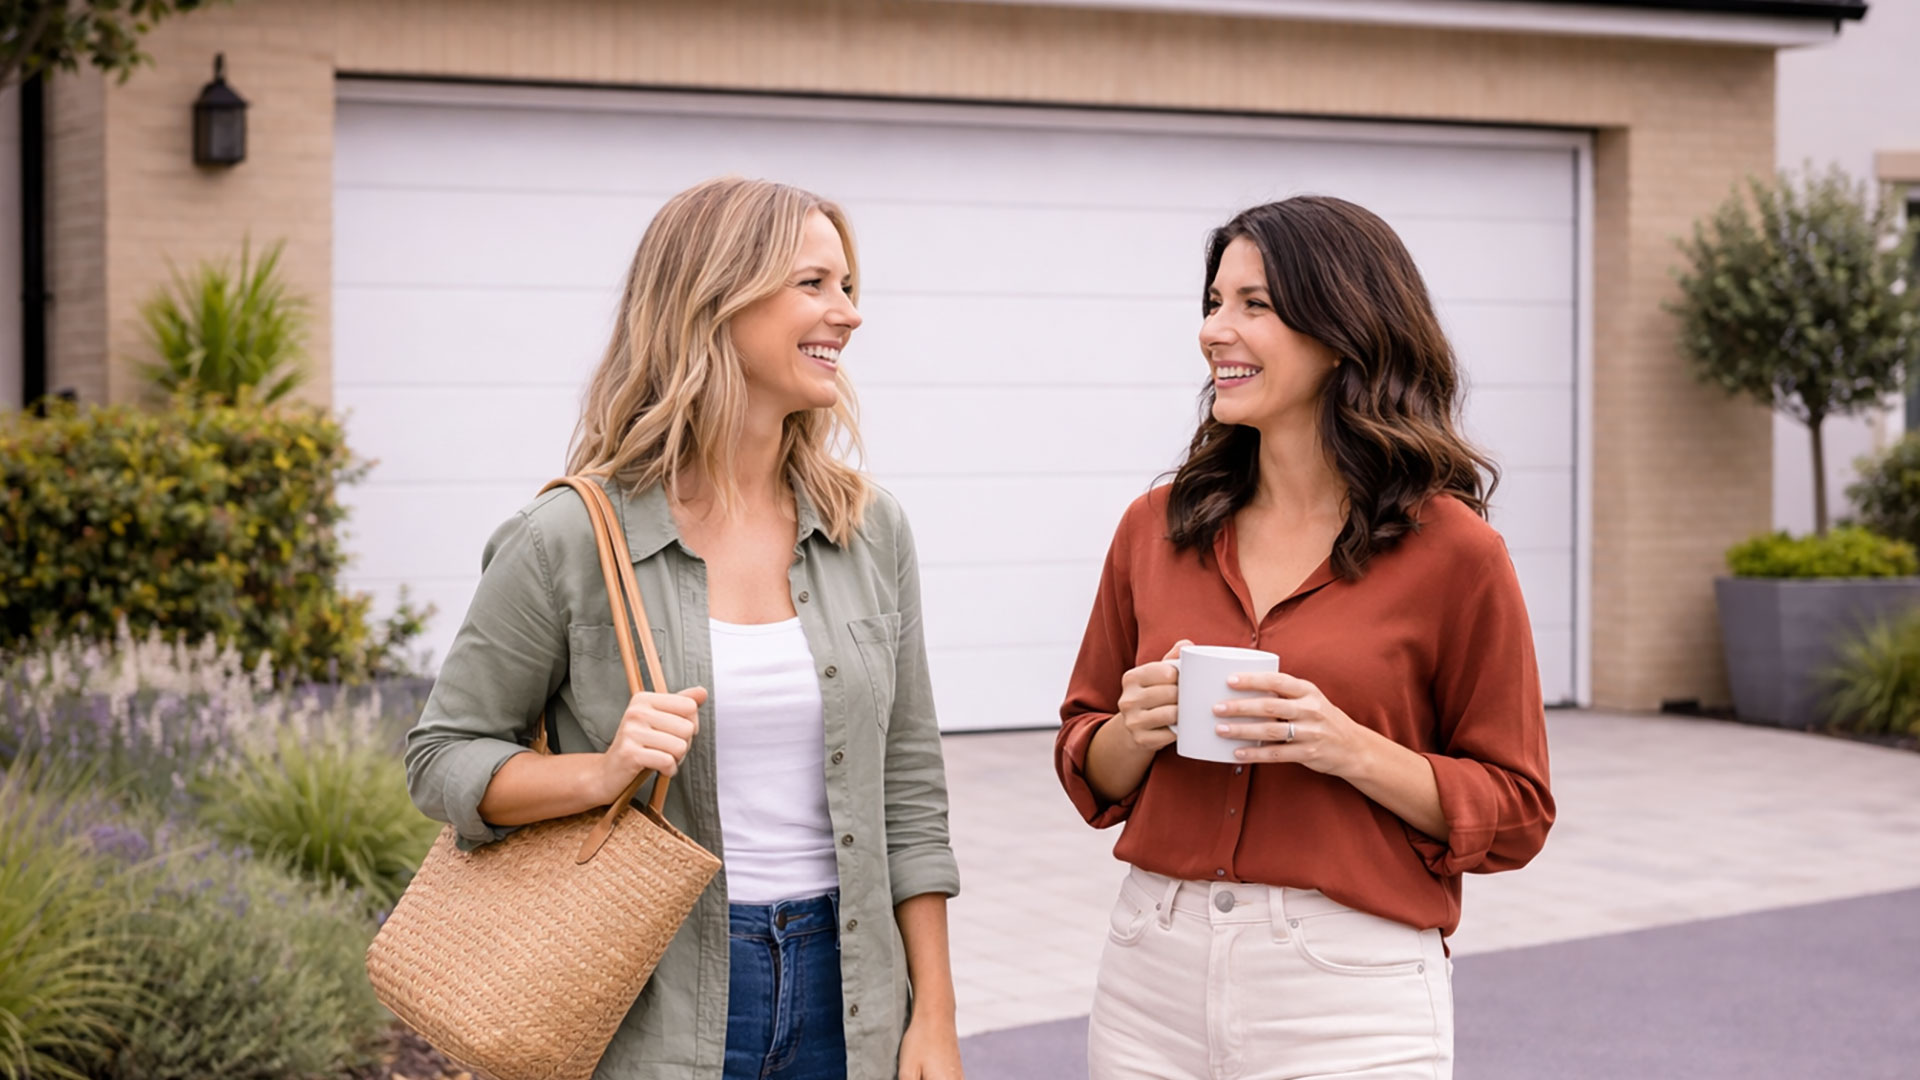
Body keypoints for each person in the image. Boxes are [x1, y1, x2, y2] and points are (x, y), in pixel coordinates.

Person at [406, 177, 964, 1080]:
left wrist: (932, 1016)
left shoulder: (868, 529)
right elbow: (442, 756)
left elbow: (909, 784)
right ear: (716, 299)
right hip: (659, 999)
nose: (848, 315)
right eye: (814, 284)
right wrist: (601, 772)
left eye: (849, 287)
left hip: (850, 990)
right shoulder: (570, 539)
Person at [1055, 195, 1554, 1079]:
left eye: (1255, 305)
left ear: (1340, 332)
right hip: (1150, 974)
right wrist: (1129, 733)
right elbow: (1086, 762)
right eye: (1214, 302)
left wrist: (1346, 749)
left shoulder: (1456, 553)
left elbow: (1516, 810)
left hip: (1349, 992)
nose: (1216, 330)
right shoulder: (1155, 527)